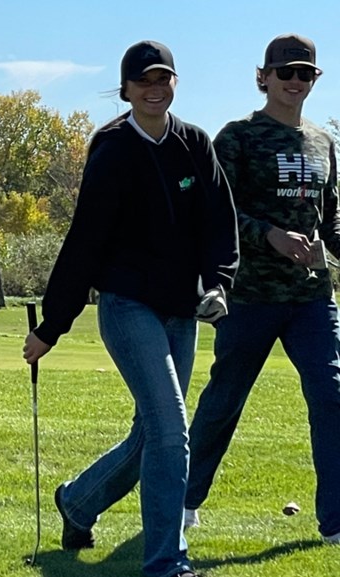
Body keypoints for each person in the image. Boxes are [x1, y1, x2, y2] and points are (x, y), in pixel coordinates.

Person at [23, 41, 239, 577]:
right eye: (143, 81)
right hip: (125, 306)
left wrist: (218, 284)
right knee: (170, 430)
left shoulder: (194, 143)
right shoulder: (113, 148)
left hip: (182, 310)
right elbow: (84, 243)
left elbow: (219, 222)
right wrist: (52, 326)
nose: (154, 89)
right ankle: (167, 561)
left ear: (175, 84)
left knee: (152, 435)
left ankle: (77, 502)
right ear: (125, 89)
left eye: (163, 79)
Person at [184, 33, 340, 545]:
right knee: (224, 400)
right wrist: (268, 235)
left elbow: (333, 224)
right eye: (286, 72)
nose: (296, 82)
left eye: (306, 74)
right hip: (250, 296)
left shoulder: (324, 143)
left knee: (332, 399)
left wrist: (327, 253)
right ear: (264, 76)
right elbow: (216, 213)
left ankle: (336, 522)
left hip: (312, 298)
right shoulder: (238, 138)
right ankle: (185, 500)